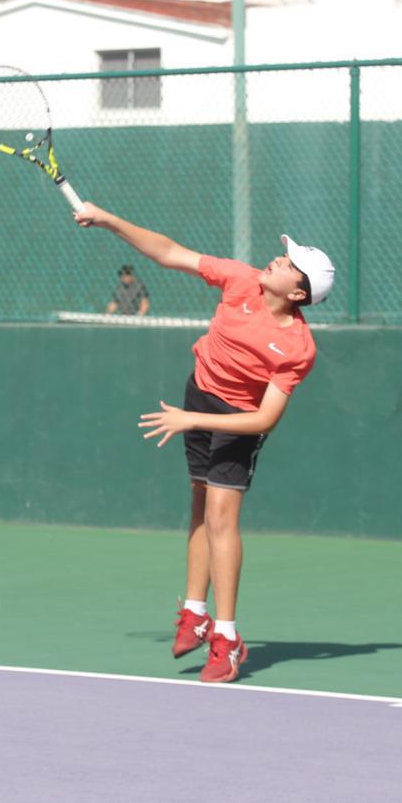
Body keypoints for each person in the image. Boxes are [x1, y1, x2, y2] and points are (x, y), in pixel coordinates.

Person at [74, 202, 335, 683]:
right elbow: (171, 253)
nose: (276, 259)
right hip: (200, 392)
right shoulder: (241, 279)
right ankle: (195, 613)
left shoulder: (297, 348)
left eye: (288, 262)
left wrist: (189, 418)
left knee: (220, 516)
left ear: (299, 291)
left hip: (240, 419)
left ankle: (229, 637)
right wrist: (109, 219)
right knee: (199, 500)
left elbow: (265, 420)